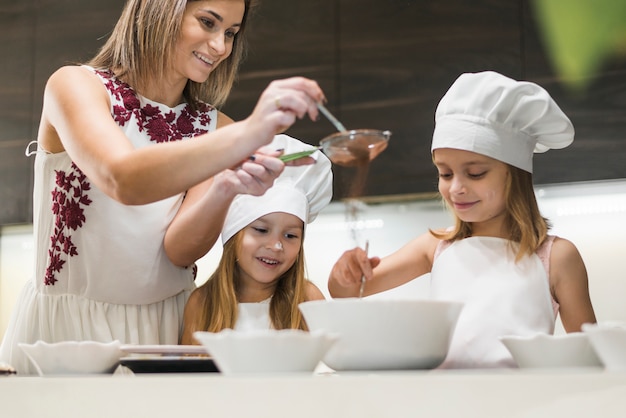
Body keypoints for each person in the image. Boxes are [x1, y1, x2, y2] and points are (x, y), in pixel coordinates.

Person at [0, 0, 327, 374]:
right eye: (208, 23)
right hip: (67, 330)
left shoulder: (216, 129)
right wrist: (248, 132)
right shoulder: (76, 86)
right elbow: (122, 177)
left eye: (231, 34)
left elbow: (179, 252)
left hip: (165, 331)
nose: (220, 46)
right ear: (159, 11)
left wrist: (226, 186)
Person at [328, 71, 597, 368]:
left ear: (516, 174)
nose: (456, 187)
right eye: (445, 173)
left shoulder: (556, 256)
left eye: (475, 173)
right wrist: (346, 272)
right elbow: (349, 291)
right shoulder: (436, 246)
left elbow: (589, 355)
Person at [180, 134, 333, 343]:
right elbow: (189, 374)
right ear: (233, 234)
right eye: (261, 230)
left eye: (290, 235)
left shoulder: (307, 299)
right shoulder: (202, 303)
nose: (276, 245)